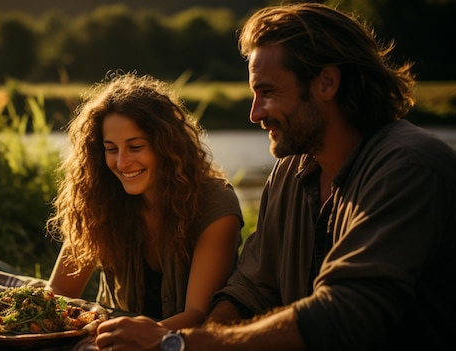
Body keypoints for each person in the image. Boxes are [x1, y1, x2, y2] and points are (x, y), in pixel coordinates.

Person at [94, 3, 456, 350]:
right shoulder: (289, 172)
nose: (254, 114)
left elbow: (345, 311)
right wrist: (201, 338)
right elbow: (250, 288)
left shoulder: (409, 167)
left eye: (267, 92)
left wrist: (174, 343)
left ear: (326, 83)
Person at [46, 72, 243, 332]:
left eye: (135, 147)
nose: (122, 162)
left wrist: (135, 338)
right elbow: (60, 290)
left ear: (166, 145)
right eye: (111, 148)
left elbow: (198, 315)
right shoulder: (100, 197)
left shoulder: (215, 206)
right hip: (110, 340)